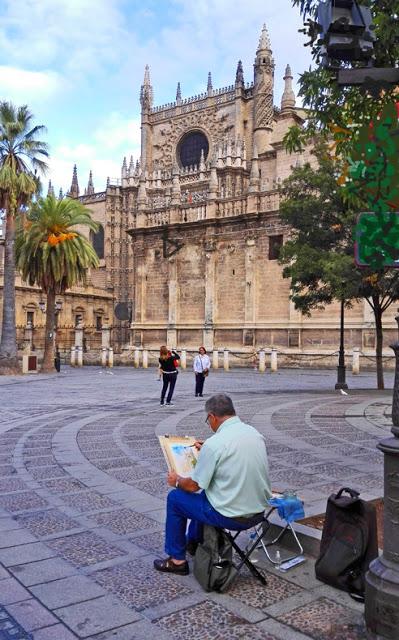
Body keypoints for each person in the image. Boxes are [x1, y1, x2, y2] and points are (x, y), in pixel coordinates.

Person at [154, 393, 271, 575]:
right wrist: (208, 447)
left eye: (208, 421)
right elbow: (233, 453)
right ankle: (193, 541)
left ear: (212, 417)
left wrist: (176, 481)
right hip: (257, 513)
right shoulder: (254, 434)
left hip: (231, 515)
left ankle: (177, 560)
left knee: (176, 498)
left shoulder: (215, 445)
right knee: (206, 494)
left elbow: (193, 486)